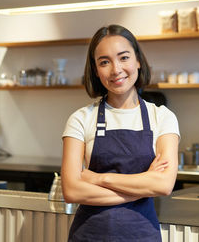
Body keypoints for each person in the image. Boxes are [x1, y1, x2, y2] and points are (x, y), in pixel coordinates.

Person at [61, 24, 180, 241]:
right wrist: (144, 184)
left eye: (124, 58)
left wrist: (99, 178)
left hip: (142, 235)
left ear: (138, 61)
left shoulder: (162, 117)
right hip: (89, 235)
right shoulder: (80, 119)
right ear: (96, 71)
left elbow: (163, 185)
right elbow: (72, 191)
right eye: (104, 62)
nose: (116, 70)